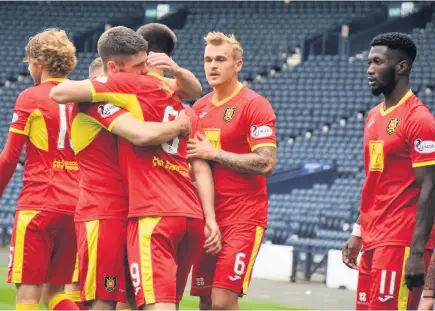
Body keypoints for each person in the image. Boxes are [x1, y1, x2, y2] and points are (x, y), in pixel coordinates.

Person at [50, 26, 220, 310]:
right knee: (105, 300)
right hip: (103, 215)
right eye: (140, 65)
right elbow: (62, 93)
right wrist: (178, 125)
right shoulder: (100, 102)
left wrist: (175, 72)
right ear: (113, 71)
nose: (146, 70)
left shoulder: (143, 88)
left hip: (139, 212)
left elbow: (192, 89)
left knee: (137, 300)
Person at [342, 32, 435, 310]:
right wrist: (358, 231)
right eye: (369, 62)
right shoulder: (373, 116)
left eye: (378, 62)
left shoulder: (419, 120)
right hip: (373, 239)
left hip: (401, 242)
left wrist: (417, 251)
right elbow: (375, 180)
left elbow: (431, 186)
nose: (370, 69)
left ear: (401, 67)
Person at [187, 31, 277, 310]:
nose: (212, 66)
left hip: (244, 217)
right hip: (209, 216)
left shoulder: (254, 104)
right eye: (208, 60)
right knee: (204, 300)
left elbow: (266, 163)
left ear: (237, 64)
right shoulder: (199, 108)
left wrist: (214, 153)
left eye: (221, 59)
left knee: (222, 301)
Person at [0, 28, 80, 311]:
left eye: (30, 63)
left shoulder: (30, 97)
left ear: (39, 63)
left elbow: (10, 158)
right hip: (74, 207)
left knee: (28, 298)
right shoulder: (83, 98)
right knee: (56, 294)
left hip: (39, 204)